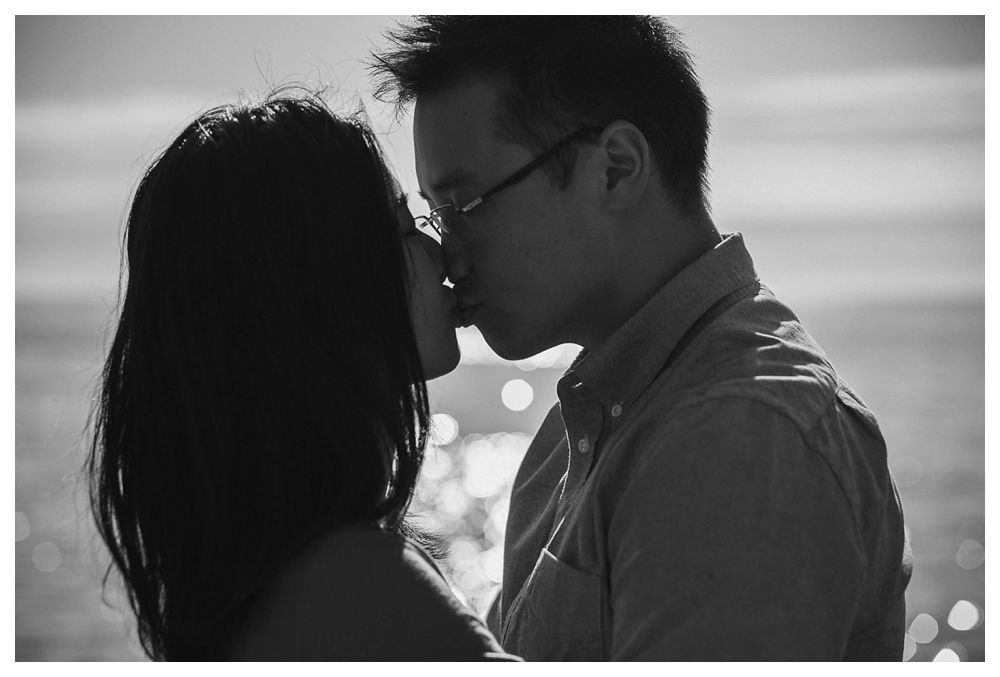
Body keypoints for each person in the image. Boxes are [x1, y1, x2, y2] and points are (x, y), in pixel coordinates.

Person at [371, 16, 913, 660]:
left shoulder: (738, 434)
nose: (449, 257)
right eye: (437, 215)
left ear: (616, 169)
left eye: (466, 207)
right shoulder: (592, 418)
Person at [86, 92, 519, 661]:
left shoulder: (245, 589)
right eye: (404, 229)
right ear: (319, 288)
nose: (440, 254)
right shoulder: (370, 595)